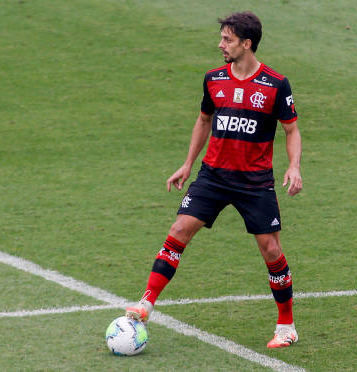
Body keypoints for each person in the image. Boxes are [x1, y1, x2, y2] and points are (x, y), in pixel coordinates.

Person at [126, 11, 303, 348]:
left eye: (227, 39)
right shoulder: (213, 79)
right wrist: (188, 163)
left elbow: (291, 130)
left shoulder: (276, 85)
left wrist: (293, 166)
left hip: (254, 182)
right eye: (222, 38)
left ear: (246, 44)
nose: (221, 45)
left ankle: (286, 326)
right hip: (214, 176)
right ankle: (146, 302)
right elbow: (204, 120)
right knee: (178, 231)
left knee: (271, 250)